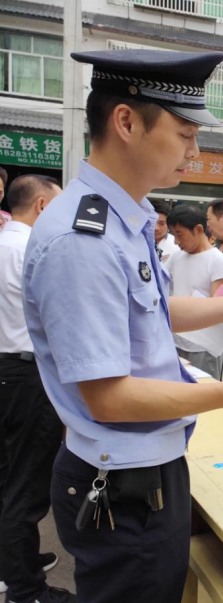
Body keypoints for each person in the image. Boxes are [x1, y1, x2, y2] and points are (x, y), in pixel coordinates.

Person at [22, 49, 223, 603]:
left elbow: (151, 310)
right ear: (126, 122)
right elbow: (108, 397)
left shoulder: (122, 217)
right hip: (124, 486)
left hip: (143, 468)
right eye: (184, 133)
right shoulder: (85, 240)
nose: (195, 152)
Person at [0, 175, 67, 603]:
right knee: (24, 485)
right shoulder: (30, 250)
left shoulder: (4, 243)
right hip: (28, 376)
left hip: (9, 370)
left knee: (9, 475)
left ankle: (17, 560)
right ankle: (26, 590)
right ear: (42, 207)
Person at [164, 203, 223, 378]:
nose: (177, 241)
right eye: (173, 235)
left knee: (204, 397)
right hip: (176, 341)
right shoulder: (176, 257)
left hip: (203, 346)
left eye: (180, 234)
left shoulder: (217, 261)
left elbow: (220, 307)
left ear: (199, 229)